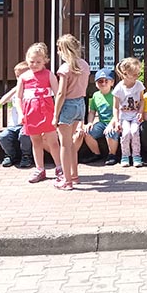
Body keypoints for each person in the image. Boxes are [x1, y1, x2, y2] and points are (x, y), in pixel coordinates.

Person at [16, 43, 62, 183]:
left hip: (47, 111)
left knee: (53, 141)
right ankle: (40, 169)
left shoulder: (49, 75)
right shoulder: (23, 77)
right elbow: (18, 98)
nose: (35, 65)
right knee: (36, 142)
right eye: (32, 61)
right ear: (27, 60)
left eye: (38, 62)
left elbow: (58, 94)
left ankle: (59, 167)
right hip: (30, 113)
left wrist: (57, 113)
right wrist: (20, 113)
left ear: (45, 61)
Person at [53, 34, 90, 190]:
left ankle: (67, 180)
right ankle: (74, 175)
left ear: (64, 50)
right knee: (72, 144)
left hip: (67, 105)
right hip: (80, 103)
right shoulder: (84, 65)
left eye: (59, 49)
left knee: (65, 145)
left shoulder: (65, 68)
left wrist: (55, 115)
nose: (58, 52)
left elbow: (61, 93)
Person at [76, 67, 121, 166]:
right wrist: (90, 123)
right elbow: (92, 112)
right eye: (100, 81)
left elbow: (118, 112)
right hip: (102, 123)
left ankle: (112, 154)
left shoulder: (115, 95)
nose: (103, 83)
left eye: (106, 81)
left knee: (111, 132)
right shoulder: (96, 96)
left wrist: (111, 124)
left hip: (115, 122)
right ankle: (96, 153)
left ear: (112, 82)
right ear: (96, 84)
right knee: (87, 132)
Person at [0, 61, 34, 168]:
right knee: (3, 136)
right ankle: (10, 155)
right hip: (13, 125)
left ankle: (26, 155)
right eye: (18, 76)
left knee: (24, 135)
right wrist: (15, 89)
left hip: (27, 124)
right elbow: (2, 101)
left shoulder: (31, 91)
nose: (20, 79)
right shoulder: (16, 92)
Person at [112, 57, 145, 167]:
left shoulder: (139, 85)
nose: (137, 76)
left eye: (138, 74)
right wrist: (116, 121)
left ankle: (136, 155)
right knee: (126, 133)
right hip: (124, 116)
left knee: (135, 132)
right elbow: (115, 107)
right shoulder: (119, 88)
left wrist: (140, 111)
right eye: (134, 74)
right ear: (125, 73)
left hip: (135, 115)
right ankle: (125, 155)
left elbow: (142, 100)